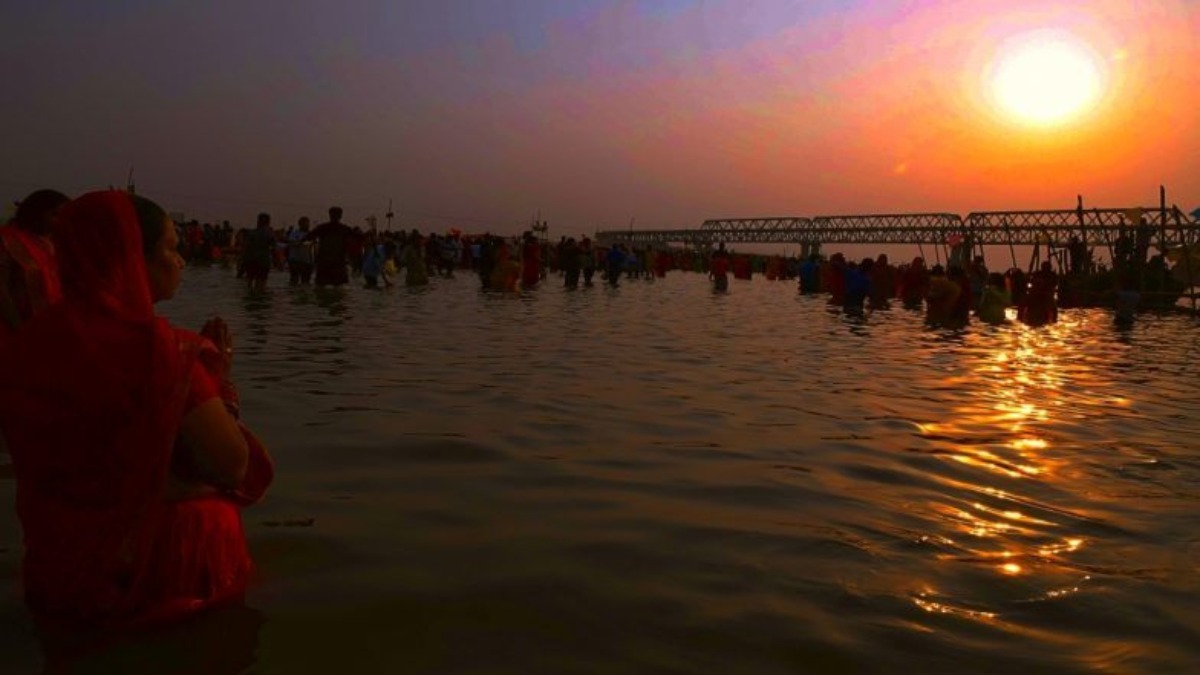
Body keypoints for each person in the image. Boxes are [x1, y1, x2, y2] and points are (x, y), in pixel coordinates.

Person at [0, 190, 273, 639]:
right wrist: (219, 384)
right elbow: (231, 464)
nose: (181, 260)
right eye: (170, 247)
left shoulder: (24, 349)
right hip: (167, 582)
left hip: (59, 573)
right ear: (132, 257)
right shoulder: (161, 352)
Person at [0, 188, 70, 344]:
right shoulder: (8, 240)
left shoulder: (58, 243)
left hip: (51, 328)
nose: (60, 220)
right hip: (14, 329)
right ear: (36, 214)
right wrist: (20, 328)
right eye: (54, 214)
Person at [307, 206, 354, 286]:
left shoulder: (323, 228)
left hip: (329, 262)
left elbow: (308, 237)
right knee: (336, 288)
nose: (335, 216)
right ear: (341, 216)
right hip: (334, 262)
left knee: (322, 287)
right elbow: (359, 237)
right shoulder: (344, 229)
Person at [240, 212, 274, 292]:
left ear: (258, 221)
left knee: (249, 282)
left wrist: (242, 259)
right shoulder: (270, 234)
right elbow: (275, 249)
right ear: (268, 222)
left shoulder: (251, 233)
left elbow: (245, 247)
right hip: (263, 261)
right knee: (261, 285)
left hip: (250, 260)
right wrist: (279, 262)